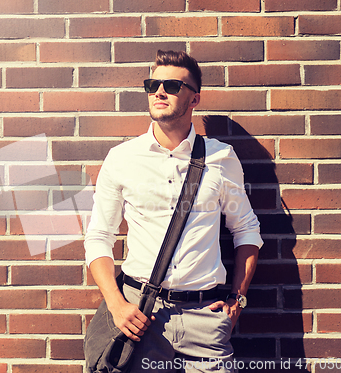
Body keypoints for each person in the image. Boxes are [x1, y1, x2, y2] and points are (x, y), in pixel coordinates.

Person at [84, 50, 263, 373]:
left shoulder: (221, 158)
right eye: (153, 84)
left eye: (171, 86)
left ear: (195, 99)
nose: (159, 92)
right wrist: (115, 303)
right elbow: (98, 236)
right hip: (139, 316)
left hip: (206, 320)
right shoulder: (122, 158)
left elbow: (246, 229)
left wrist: (238, 300)